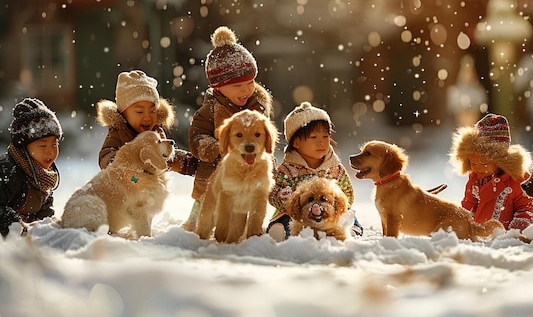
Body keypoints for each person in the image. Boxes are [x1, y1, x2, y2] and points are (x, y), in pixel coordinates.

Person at [184, 26, 273, 231]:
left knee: (256, 186)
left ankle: (250, 222)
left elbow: (264, 134)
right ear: (218, 87)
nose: (246, 90)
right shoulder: (210, 109)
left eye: (250, 82)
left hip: (250, 160)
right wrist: (212, 147)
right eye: (237, 86)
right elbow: (197, 134)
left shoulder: (256, 106)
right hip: (217, 160)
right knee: (207, 185)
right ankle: (197, 217)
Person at [267, 102, 363, 241]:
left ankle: (350, 230)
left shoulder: (335, 168)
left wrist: (338, 204)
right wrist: (282, 197)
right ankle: (282, 232)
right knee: (286, 220)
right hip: (296, 214)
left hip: (330, 214)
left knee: (346, 216)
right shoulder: (287, 170)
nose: (321, 142)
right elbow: (273, 191)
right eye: (313, 137)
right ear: (296, 142)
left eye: (325, 136)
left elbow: (347, 191)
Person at [96, 70, 198, 174]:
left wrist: (188, 163)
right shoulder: (119, 133)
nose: (147, 117)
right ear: (123, 114)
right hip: (129, 180)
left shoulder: (156, 131)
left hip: (153, 183)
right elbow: (105, 155)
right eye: (140, 112)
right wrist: (118, 162)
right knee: (135, 182)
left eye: (152, 111)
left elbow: (167, 158)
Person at [449, 113, 533, 231]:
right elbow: (467, 207)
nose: (478, 168)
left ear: (500, 160)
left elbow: (526, 208)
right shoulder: (475, 179)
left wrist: (515, 231)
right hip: (479, 236)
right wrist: (461, 226)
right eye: (473, 163)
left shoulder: (518, 179)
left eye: (484, 164)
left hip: (504, 239)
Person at [0, 98, 63, 237]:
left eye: (54, 144)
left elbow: (45, 209)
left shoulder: (42, 176)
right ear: (24, 147)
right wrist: (16, 226)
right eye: (42, 145)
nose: (50, 151)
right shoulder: (9, 172)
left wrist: (47, 226)